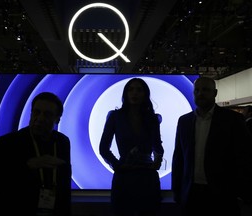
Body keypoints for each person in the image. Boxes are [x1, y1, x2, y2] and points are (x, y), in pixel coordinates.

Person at [0, 92, 71, 216]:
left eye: (47, 114)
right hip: (14, 209)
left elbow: (63, 185)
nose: (40, 118)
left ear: (57, 119)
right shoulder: (9, 142)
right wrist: (27, 165)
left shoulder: (62, 142)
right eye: (36, 112)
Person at [172, 77, 252, 216]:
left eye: (205, 90)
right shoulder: (184, 121)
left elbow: (244, 156)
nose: (200, 93)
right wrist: (177, 190)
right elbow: (178, 157)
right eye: (197, 90)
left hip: (223, 193)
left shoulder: (233, 119)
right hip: (191, 193)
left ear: (215, 93)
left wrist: (242, 191)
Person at [99, 78, 164, 216]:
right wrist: (118, 166)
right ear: (125, 93)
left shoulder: (152, 118)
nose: (134, 93)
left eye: (139, 90)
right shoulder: (115, 116)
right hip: (124, 176)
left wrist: (157, 161)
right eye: (131, 89)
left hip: (147, 176)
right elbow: (103, 148)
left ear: (145, 94)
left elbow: (157, 146)